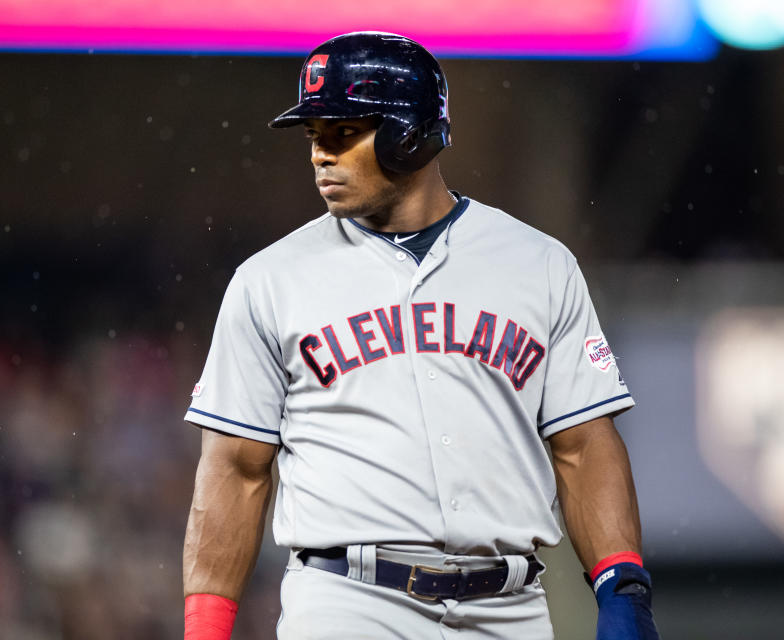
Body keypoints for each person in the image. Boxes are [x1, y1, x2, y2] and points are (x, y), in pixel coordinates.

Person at [182, 31, 660, 640]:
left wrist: (622, 588)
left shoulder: (538, 264)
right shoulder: (268, 281)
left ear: (409, 134)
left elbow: (584, 445)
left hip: (509, 605)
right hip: (348, 602)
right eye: (313, 136)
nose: (319, 155)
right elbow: (236, 469)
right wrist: (205, 629)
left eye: (341, 133)